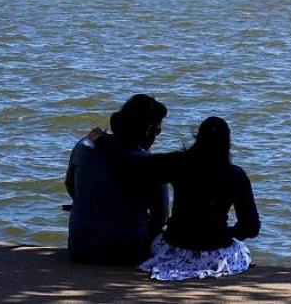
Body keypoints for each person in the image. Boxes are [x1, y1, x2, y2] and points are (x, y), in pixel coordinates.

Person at [90, 116, 260, 281]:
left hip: (175, 246)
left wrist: (101, 140)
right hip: (215, 252)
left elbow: (133, 164)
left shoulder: (178, 163)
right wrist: (223, 234)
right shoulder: (236, 175)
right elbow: (251, 227)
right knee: (241, 252)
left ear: (197, 138)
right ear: (227, 144)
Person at [65, 94, 169, 265]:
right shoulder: (152, 165)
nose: (157, 136)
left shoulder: (84, 147)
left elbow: (70, 185)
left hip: (81, 247)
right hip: (128, 252)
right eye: (157, 131)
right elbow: (161, 216)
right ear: (148, 130)